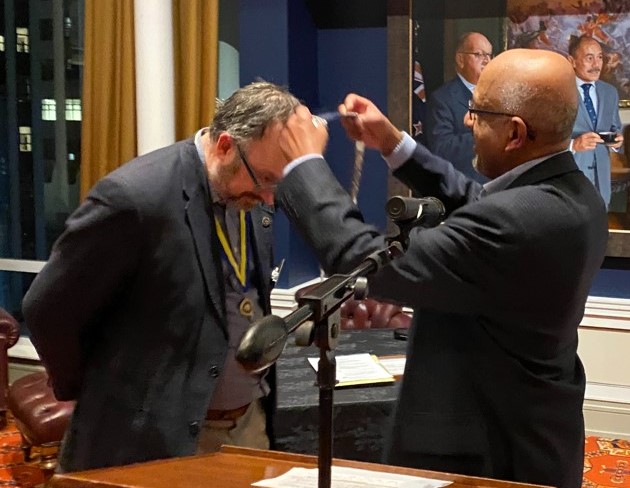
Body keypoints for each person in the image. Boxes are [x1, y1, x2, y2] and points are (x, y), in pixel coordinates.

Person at [276, 49, 608, 488]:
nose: (468, 122)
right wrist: (393, 144)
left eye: (478, 113)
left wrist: (303, 164)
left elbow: (361, 259)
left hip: (492, 453)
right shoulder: (571, 192)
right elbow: (477, 200)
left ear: (514, 133)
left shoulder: (520, 221)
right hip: (535, 431)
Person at [22, 81, 299, 472]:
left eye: (278, 182)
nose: (270, 197)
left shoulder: (249, 194)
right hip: (154, 442)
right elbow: (47, 309)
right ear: (225, 146)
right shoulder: (134, 198)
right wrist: (95, 387)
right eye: (265, 179)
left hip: (247, 427)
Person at [424, 32, 493, 182]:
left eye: (489, 55)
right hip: (465, 186)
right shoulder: (442, 99)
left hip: (498, 186)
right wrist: (483, 134)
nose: (486, 61)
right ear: (461, 59)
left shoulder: (497, 94)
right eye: (479, 54)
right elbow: (441, 149)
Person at [568, 35, 623, 207]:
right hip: (570, 179)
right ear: (572, 61)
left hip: (601, 182)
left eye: (599, 57)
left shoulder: (610, 92)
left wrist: (616, 141)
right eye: (589, 58)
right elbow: (545, 138)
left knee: (599, 222)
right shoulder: (559, 92)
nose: (596, 64)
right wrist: (573, 145)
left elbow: (615, 128)